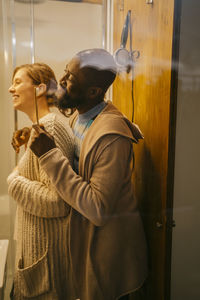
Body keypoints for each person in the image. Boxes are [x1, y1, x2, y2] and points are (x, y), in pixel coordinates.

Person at [13, 49, 148, 300]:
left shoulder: (112, 137)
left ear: (94, 92)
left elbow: (97, 209)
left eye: (71, 78)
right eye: (66, 71)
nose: (62, 80)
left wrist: (49, 156)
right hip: (86, 248)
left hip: (110, 257)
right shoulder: (81, 117)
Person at [7, 63, 74, 299]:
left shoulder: (50, 128)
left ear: (39, 89)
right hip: (40, 261)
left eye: (17, 82)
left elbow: (58, 201)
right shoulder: (41, 127)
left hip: (47, 269)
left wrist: (14, 180)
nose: (10, 89)